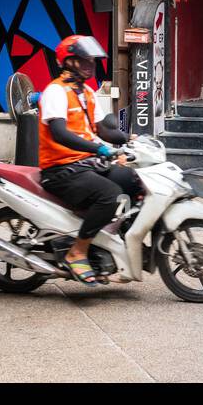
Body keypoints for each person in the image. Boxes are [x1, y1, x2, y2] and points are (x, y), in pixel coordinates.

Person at [36, 34, 138, 285]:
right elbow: (60, 133)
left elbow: (104, 128)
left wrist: (129, 138)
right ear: (68, 62)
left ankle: (114, 239)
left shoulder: (88, 94)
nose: (90, 64)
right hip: (60, 169)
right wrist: (99, 149)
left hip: (85, 165)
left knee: (134, 180)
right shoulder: (55, 92)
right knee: (110, 194)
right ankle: (77, 251)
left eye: (91, 59)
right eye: (84, 60)